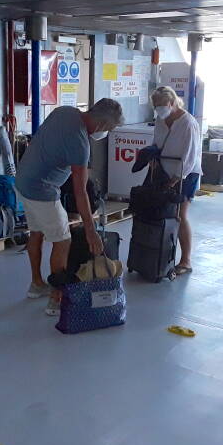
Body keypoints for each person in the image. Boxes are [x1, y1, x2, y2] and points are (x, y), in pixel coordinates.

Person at [16, 98, 124, 316]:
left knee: (36, 232)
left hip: (22, 181)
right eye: (110, 129)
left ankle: (37, 284)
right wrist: (91, 231)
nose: (106, 134)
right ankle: (57, 298)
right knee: (63, 241)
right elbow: (80, 191)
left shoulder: (64, 112)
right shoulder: (81, 144)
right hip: (42, 190)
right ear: (102, 125)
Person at [150, 86, 202, 275]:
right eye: (156, 106)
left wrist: (175, 180)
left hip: (186, 174)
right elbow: (156, 143)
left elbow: (190, 156)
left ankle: (186, 260)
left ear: (172, 103)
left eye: (163, 105)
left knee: (180, 215)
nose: (159, 109)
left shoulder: (188, 123)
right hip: (164, 170)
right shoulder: (160, 119)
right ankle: (160, 254)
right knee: (161, 213)